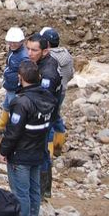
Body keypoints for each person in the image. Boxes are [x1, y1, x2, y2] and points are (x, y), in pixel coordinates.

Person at [0, 60, 56, 216]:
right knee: (34, 190)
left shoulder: (21, 102)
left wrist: (3, 151)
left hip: (21, 154)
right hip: (38, 151)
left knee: (21, 193)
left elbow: (13, 132)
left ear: (20, 78)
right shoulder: (48, 97)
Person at [25, 32, 65, 199]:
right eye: (28, 49)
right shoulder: (40, 63)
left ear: (45, 51)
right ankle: (40, 188)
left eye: (34, 50)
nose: (29, 53)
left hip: (43, 118)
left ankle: (42, 190)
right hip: (42, 115)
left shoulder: (47, 72)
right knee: (39, 151)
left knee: (41, 151)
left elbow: (45, 100)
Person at [40, 26, 73, 159]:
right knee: (56, 115)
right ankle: (59, 145)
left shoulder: (50, 58)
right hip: (62, 90)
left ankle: (49, 153)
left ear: (47, 44)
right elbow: (71, 73)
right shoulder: (66, 54)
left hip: (52, 92)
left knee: (48, 121)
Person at [0, 26, 27, 129]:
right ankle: (2, 124)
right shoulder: (13, 50)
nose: (12, 44)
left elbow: (25, 74)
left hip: (15, 88)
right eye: (10, 42)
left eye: (15, 42)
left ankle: (14, 129)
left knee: (14, 109)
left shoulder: (23, 56)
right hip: (10, 85)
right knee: (6, 105)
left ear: (21, 41)